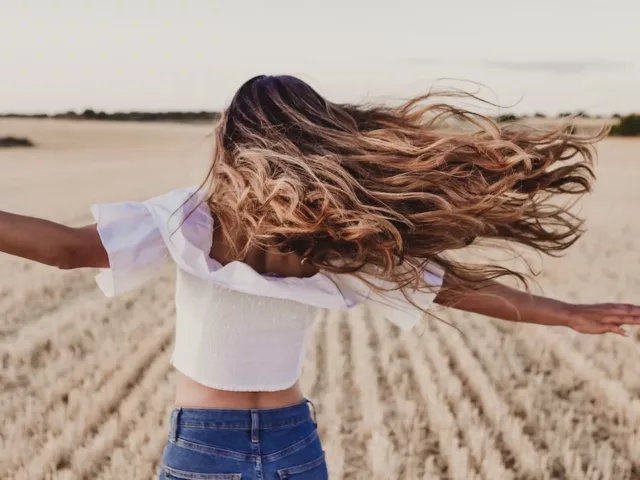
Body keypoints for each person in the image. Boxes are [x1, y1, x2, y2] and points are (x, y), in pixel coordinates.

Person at [1, 74, 639, 480]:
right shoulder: (335, 240)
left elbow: (63, 250)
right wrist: (567, 313)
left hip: (204, 445)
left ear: (232, 142)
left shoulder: (186, 220)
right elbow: (453, 288)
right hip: (292, 446)